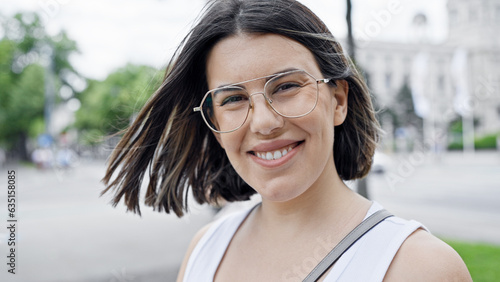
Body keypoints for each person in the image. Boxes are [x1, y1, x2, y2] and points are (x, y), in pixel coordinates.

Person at [102, 0, 472, 281]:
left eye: (287, 86)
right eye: (232, 98)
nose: (264, 122)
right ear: (214, 123)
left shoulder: (419, 266)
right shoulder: (205, 250)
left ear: (338, 100)